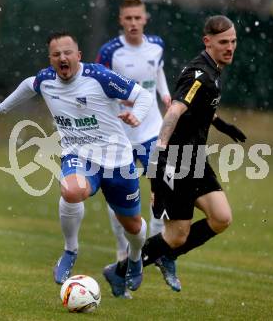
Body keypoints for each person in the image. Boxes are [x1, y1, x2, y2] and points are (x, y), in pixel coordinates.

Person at [0, 32, 154, 291]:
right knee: (71, 190)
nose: (62, 58)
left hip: (119, 162)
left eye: (68, 52)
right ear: (51, 59)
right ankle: (70, 250)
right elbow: (28, 85)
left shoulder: (100, 77)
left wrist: (136, 115)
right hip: (79, 156)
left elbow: (144, 97)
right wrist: (0, 107)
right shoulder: (46, 79)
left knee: (133, 226)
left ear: (78, 55)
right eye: (56, 54)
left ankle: (135, 259)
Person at [103, 15, 247, 294]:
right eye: (223, 42)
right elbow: (175, 111)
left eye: (233, 41)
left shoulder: (212, 70)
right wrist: (158, 156)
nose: (230, 47)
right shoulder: (199, 73)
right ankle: (119, 271)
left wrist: (220, 124)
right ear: (208, 42)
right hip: (177, 161)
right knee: (176, 235)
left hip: (196, 159)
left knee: (221, 218)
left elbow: (199, 105)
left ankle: (167, 255)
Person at [95, 0, 180, 297]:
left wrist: (166, 95)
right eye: (128, 17)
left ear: (146, 19)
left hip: (152, 131)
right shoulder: (109, 52)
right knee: (118, 197)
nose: (133, 22)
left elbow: (158, 71)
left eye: (137, 17)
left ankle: (155, 247)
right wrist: (122, 103)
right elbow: (98, 86)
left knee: (164, 188)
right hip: (119, 135)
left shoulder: (157, 45)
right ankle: (123, 255)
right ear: (121, 20)